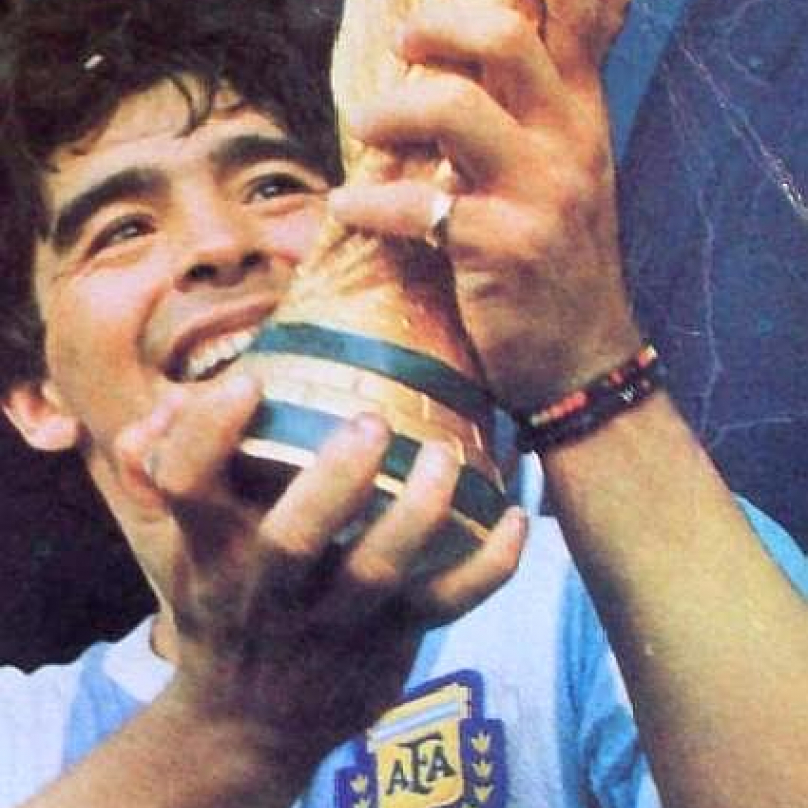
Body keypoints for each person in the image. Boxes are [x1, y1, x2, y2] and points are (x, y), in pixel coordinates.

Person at [0, 2, 804, 808]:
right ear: (36, 395)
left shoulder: (588, 588)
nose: (219, 244)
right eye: (122, 230)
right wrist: (233, 732)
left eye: (273, 185)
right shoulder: (24, 737)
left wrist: (586, 368)